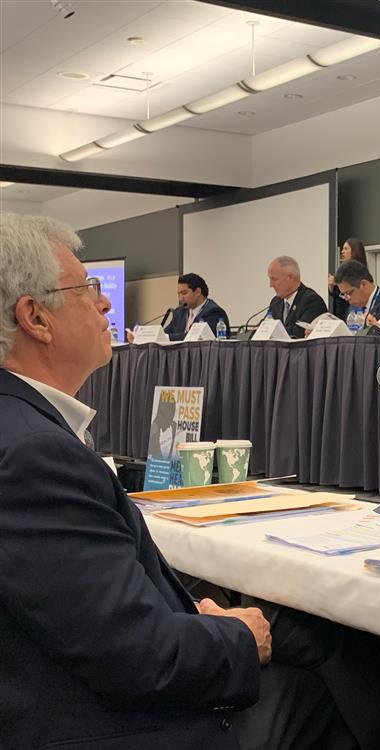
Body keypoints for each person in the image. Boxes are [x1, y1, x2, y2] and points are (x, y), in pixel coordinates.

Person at [0, 213, 354, 750]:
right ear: (35, 318)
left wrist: (193, 617)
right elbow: (136, 656)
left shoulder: (23, 428)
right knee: (318, 693)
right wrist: (237, 636)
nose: (105, 304)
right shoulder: (34, 454)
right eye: (86, 288)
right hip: (89, 722)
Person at [267, 255, 328, 339]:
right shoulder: (276, 302)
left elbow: (300, 332)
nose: (270, 285)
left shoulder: (312, 300)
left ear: (290, 278)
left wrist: (271, 332)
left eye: (274, 279)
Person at [334, 259, 380, 325]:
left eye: (349, 293)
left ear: (363, 284)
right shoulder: (350, 310)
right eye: (343, 294)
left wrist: (378, 327)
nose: (347, 298)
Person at [163, 272, 230, 340]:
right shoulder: (179, 312)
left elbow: (196, 336)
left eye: (184, 293)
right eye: (179, 294)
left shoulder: (214, 312)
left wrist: (168, 337)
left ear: (198, 291)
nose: (180, 298)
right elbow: (164, 334)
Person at [329, 238, 368, 321]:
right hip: (340, 312)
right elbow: (339, 296)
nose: (342, 252)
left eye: (346, 248)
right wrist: (332, 287)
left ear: (355, 250)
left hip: (354, 313)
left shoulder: (360, 270)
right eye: (343, 249)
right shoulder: (342, 269)